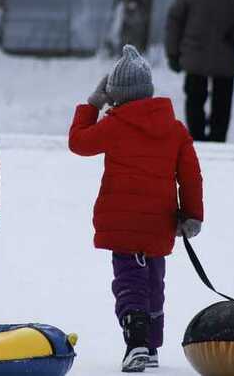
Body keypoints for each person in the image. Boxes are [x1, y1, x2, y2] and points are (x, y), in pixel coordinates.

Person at [69, 45, 204, 373]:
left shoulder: (115, 125)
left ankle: (136, 344)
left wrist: (92, 104)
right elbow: (190, 176)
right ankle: (152, 345)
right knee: (154, 282)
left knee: (130, 282)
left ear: (116, 95)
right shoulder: (174, 129)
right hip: (160, 223)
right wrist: (192, 215)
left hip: (123, 224)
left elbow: (79, 142)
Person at [166, 0, 234, 142]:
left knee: (222, 104)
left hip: (226, 53)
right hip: (194, 52)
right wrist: (172, 52)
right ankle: (197, 143)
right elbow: (176, 18)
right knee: (194, 100)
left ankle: (218, 143)